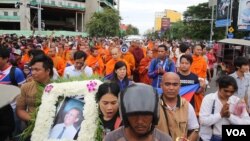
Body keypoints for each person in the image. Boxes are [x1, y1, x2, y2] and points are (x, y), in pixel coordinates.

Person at [104, 83, 172, 141]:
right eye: (134, 115)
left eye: (145, 115)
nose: (140, 121)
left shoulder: (164, 139)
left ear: (154, 115)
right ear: (125, 116)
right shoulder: (111, 139)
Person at [199, 75, 250, 141]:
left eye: (232, 92)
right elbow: (203, 121)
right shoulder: (209, 99)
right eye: (226, 91)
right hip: (209, 137)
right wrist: (220, 114)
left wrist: (230, 116)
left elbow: (247, 122)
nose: (228, 94)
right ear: (219, 88)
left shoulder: (236, 101)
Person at [157, 72, 199, 141]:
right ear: (161, 86)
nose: (171, 88)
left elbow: (195, 129)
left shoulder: (187, 106)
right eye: (167, 84)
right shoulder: (154, 106)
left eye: (175, 85)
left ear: (180, 86)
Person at [16, 54, 53, 122]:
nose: (33, 73)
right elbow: (20, 110)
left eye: (37, 70)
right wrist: (34, 120)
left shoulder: (57, 87)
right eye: (32, 69)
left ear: (48, 71)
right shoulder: (26, 87)